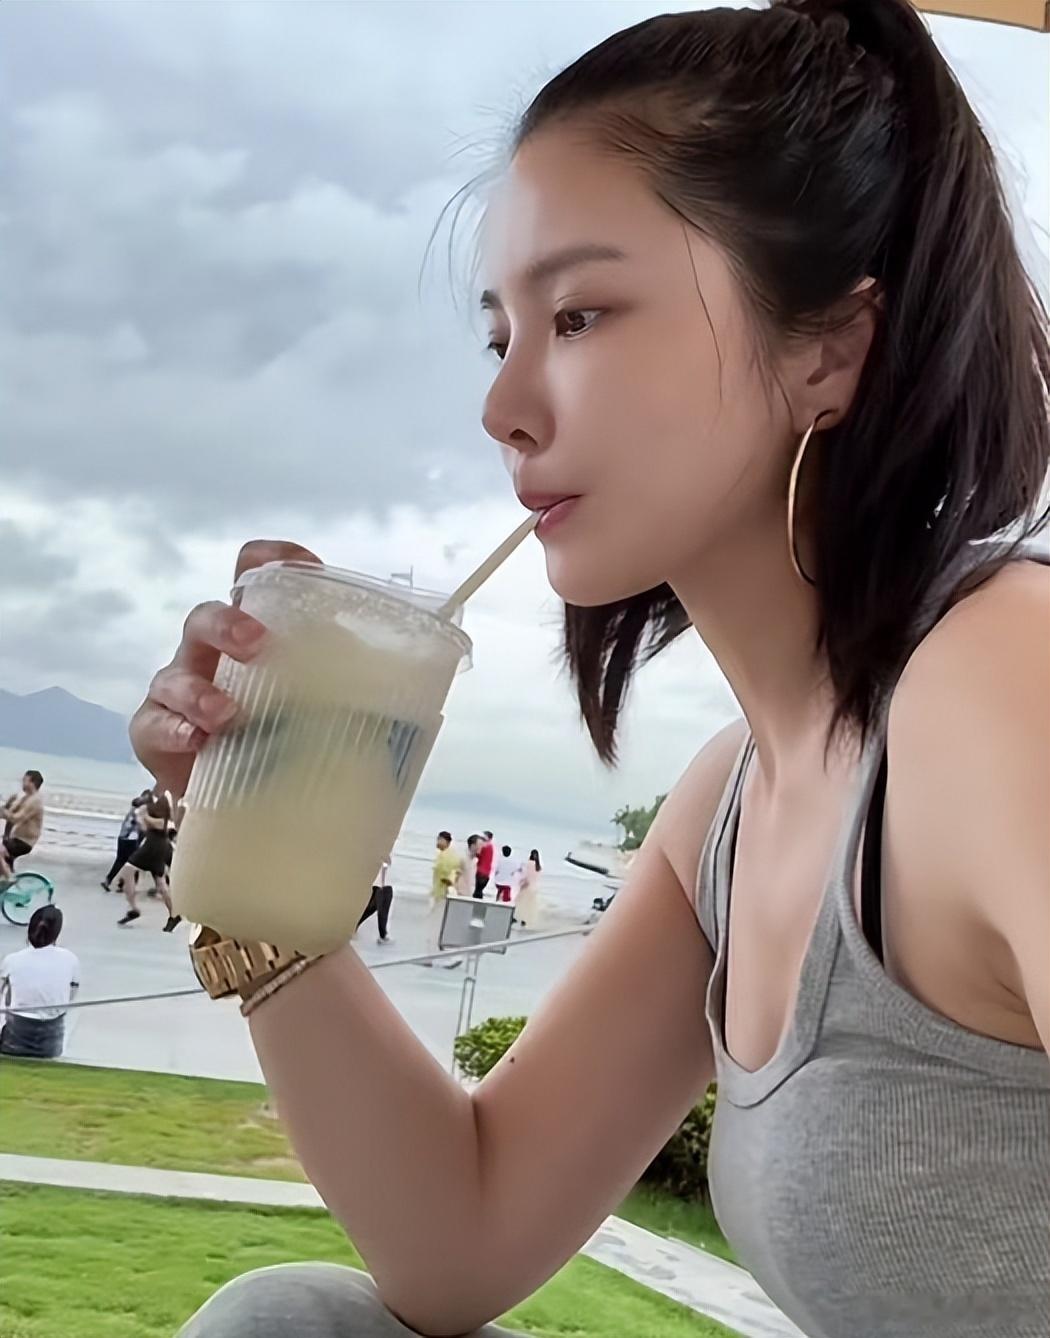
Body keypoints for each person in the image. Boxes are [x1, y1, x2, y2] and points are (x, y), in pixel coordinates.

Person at [132, 5, 1049, 1336]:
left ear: (828, 350)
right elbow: (460, 1238)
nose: (502, 407)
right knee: (292, 1321)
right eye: (498, 336)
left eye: (578, 314)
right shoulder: (728, 807)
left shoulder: (1001, 678)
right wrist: (251, 853)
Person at [0, 905, 80, 1060]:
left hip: (15, 1038)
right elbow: (70, 996)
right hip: (51, 1042)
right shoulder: (70, 959)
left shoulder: (12, 960)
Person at [116, 790, 180, 931]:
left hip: (154, 846)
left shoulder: (163, 815)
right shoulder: (152, 812)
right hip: (155, 845)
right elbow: (145, 827)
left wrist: (144, 816)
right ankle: (174, 914)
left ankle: (133, 908)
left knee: (127, 870)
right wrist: (142, 816)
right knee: (161, 884)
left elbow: (161, 825)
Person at [425, 832, 463, 969]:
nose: (437, 842)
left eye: (439, 839)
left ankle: (434, 958)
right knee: (439, 926)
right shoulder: (451, 855)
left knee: (435, 926)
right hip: (443, 893)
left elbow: (449, 875)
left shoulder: (445, 856)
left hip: (441, 894)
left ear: (445, 841)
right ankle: (435, 957)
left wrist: (448, 883)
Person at [101, 789, 151, 891]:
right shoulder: (142, 811)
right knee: (135, 863)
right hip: (132, 839)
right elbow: (142, 827)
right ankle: (126, 885)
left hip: (122, 837)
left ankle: (109, 880)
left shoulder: (133, 808)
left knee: (120, 861)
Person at [1, 770, 45, 869]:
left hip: (24, 842)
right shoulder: (26, 798)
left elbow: (16, 818)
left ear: (32, 783)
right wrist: (7, 806)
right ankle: (8, 875)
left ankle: (8, 876)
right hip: (16, 838)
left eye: (25, 780)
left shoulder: (35, 801)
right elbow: (10, 812)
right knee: (4, 865)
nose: (22, 783)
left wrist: (5, 812)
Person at [358, 857, 395, 944]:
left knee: (369, 909)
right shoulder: (385, 854)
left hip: (377, 886)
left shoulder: (379, 853)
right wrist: (382, 885)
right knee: (383, 912)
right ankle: (383, 936)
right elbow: (384, 867)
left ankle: (354, 926)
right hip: (384, 887)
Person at [515, 850, 542, 931]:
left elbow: (525, 875)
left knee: (520, 903)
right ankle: (526, 920)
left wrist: (521, 883)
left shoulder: (528, 864)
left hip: (526, 887)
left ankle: (519, 918)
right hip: (534, 888)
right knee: (529, 906)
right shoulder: (539, 867)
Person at [474, 830, 495, 898]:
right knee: (479, 890)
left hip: (481, 870)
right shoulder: (491, 847)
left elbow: (478, 854)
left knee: (477, 890)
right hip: (487, 872)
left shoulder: (485, 846)